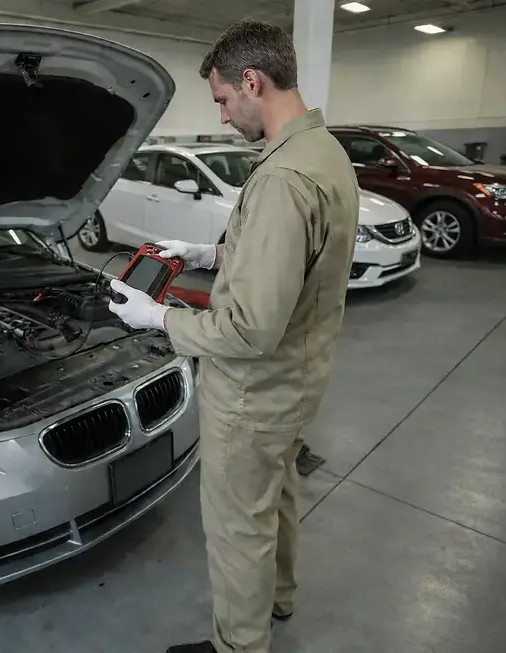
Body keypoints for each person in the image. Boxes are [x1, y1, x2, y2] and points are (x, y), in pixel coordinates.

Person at [106, 18, 360, 653]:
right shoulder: (322, 152)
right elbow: (293, 260)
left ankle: (238, 646)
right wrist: (207, 254)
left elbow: (247, 329)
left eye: (222, 99)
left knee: (235, 527)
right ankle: (278, 599)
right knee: (274, 499)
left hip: (252, 393)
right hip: (299, 380)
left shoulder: (279, 179)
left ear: (252, 81)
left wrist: (156, 317)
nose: (222, 117)